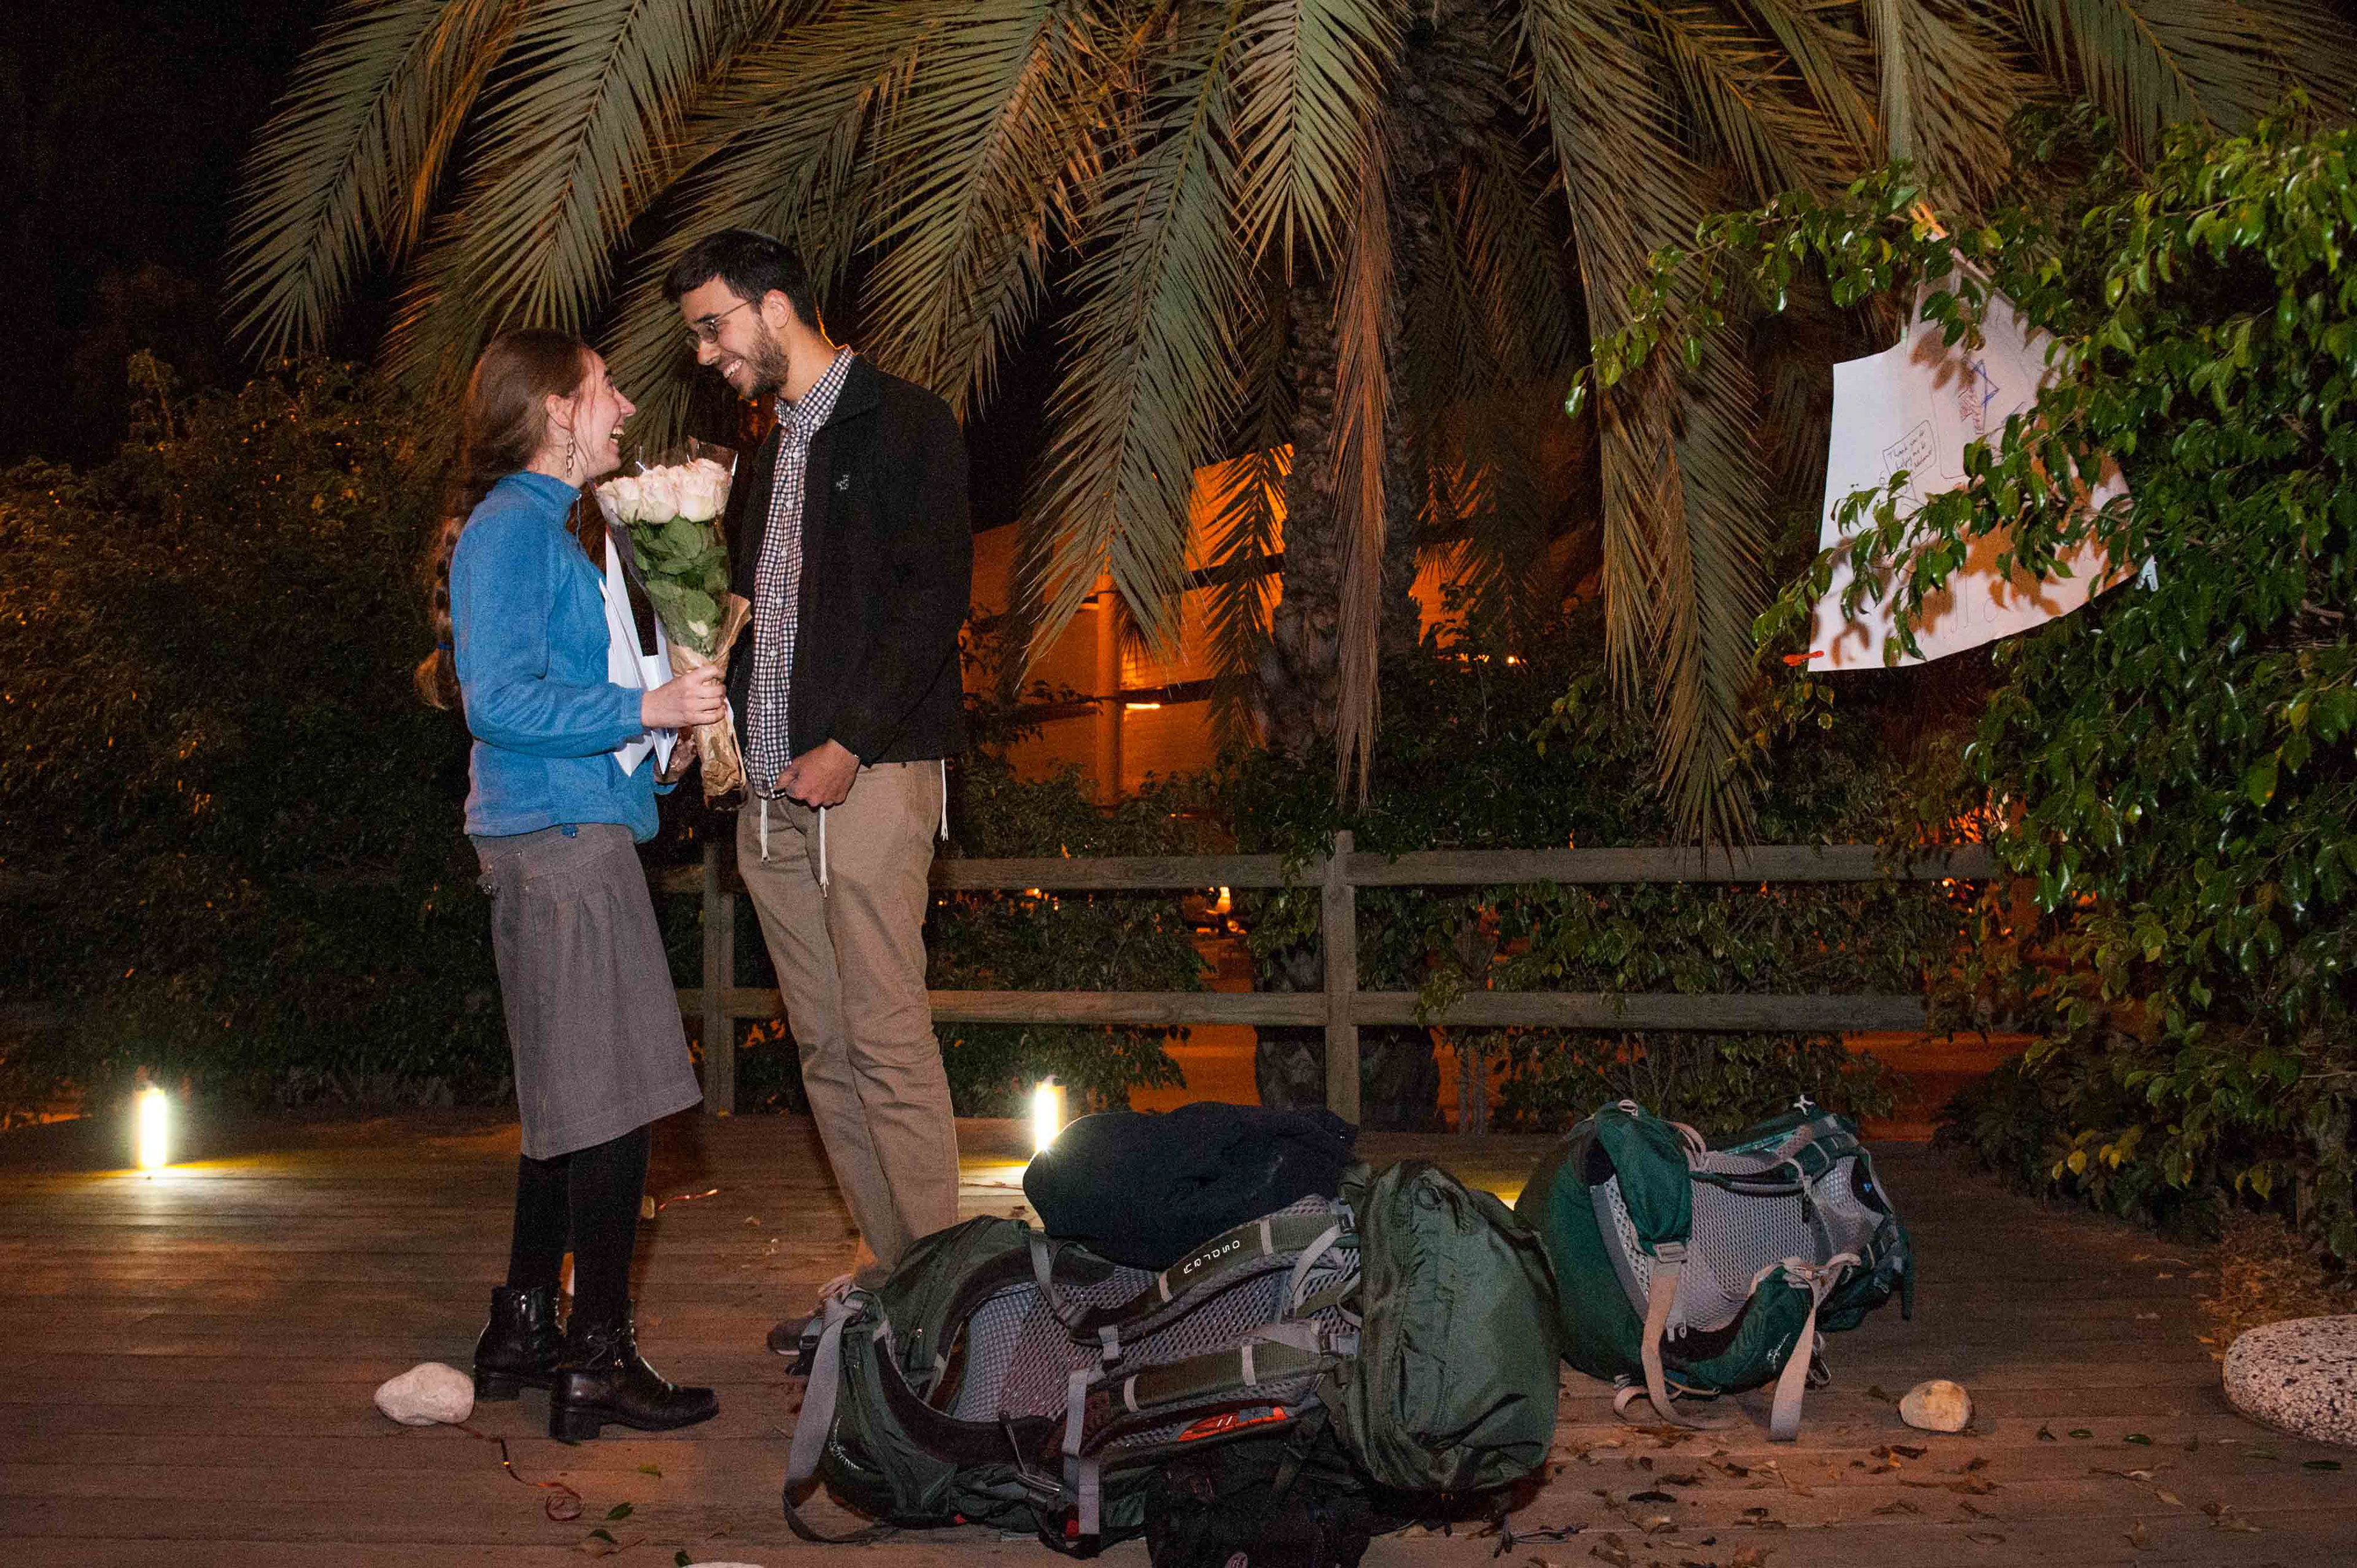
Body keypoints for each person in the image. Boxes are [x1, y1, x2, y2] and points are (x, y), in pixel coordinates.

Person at [414, 329, 726, 1442]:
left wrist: (657, 746)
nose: (625, 408)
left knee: (566, 1101)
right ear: (555, 411)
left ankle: (522, 1325)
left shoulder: (538, 528)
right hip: (560, 848)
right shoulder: (513, 529)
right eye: (604, 390)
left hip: (562, 831)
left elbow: (552, 700)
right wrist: (644, 709)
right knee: (617, 1105)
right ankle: (597, 1359)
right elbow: (497, 700)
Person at [663, 231, 972, 1311]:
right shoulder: (767, 452)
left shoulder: (909, 424)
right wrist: (706, 708)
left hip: (868, 777)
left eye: (713, 327)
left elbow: (933, 603)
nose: (705, 354)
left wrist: (850, 742)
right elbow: (763, 614)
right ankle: (895, 1273)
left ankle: (949, 1295)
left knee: (886, 1037)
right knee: (827, 1050)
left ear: (775, 307)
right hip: (768, 800)